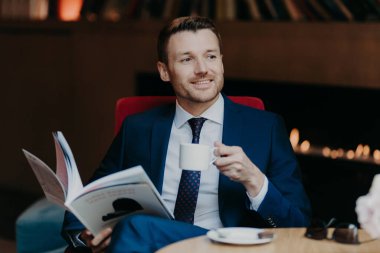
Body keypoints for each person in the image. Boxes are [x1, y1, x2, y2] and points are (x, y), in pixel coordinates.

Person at [62, 16, 311, 253]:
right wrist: (87, 236)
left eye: (210, 56)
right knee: (133, 229)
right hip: (149, 245)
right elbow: (88, 203)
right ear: (164, 71)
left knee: (134, 227)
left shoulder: (265, 128)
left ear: (221, 62)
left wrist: (254, 180)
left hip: (223, 246)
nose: (202, 69)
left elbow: (298, 225)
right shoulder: (138, 128)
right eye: (186, 60)